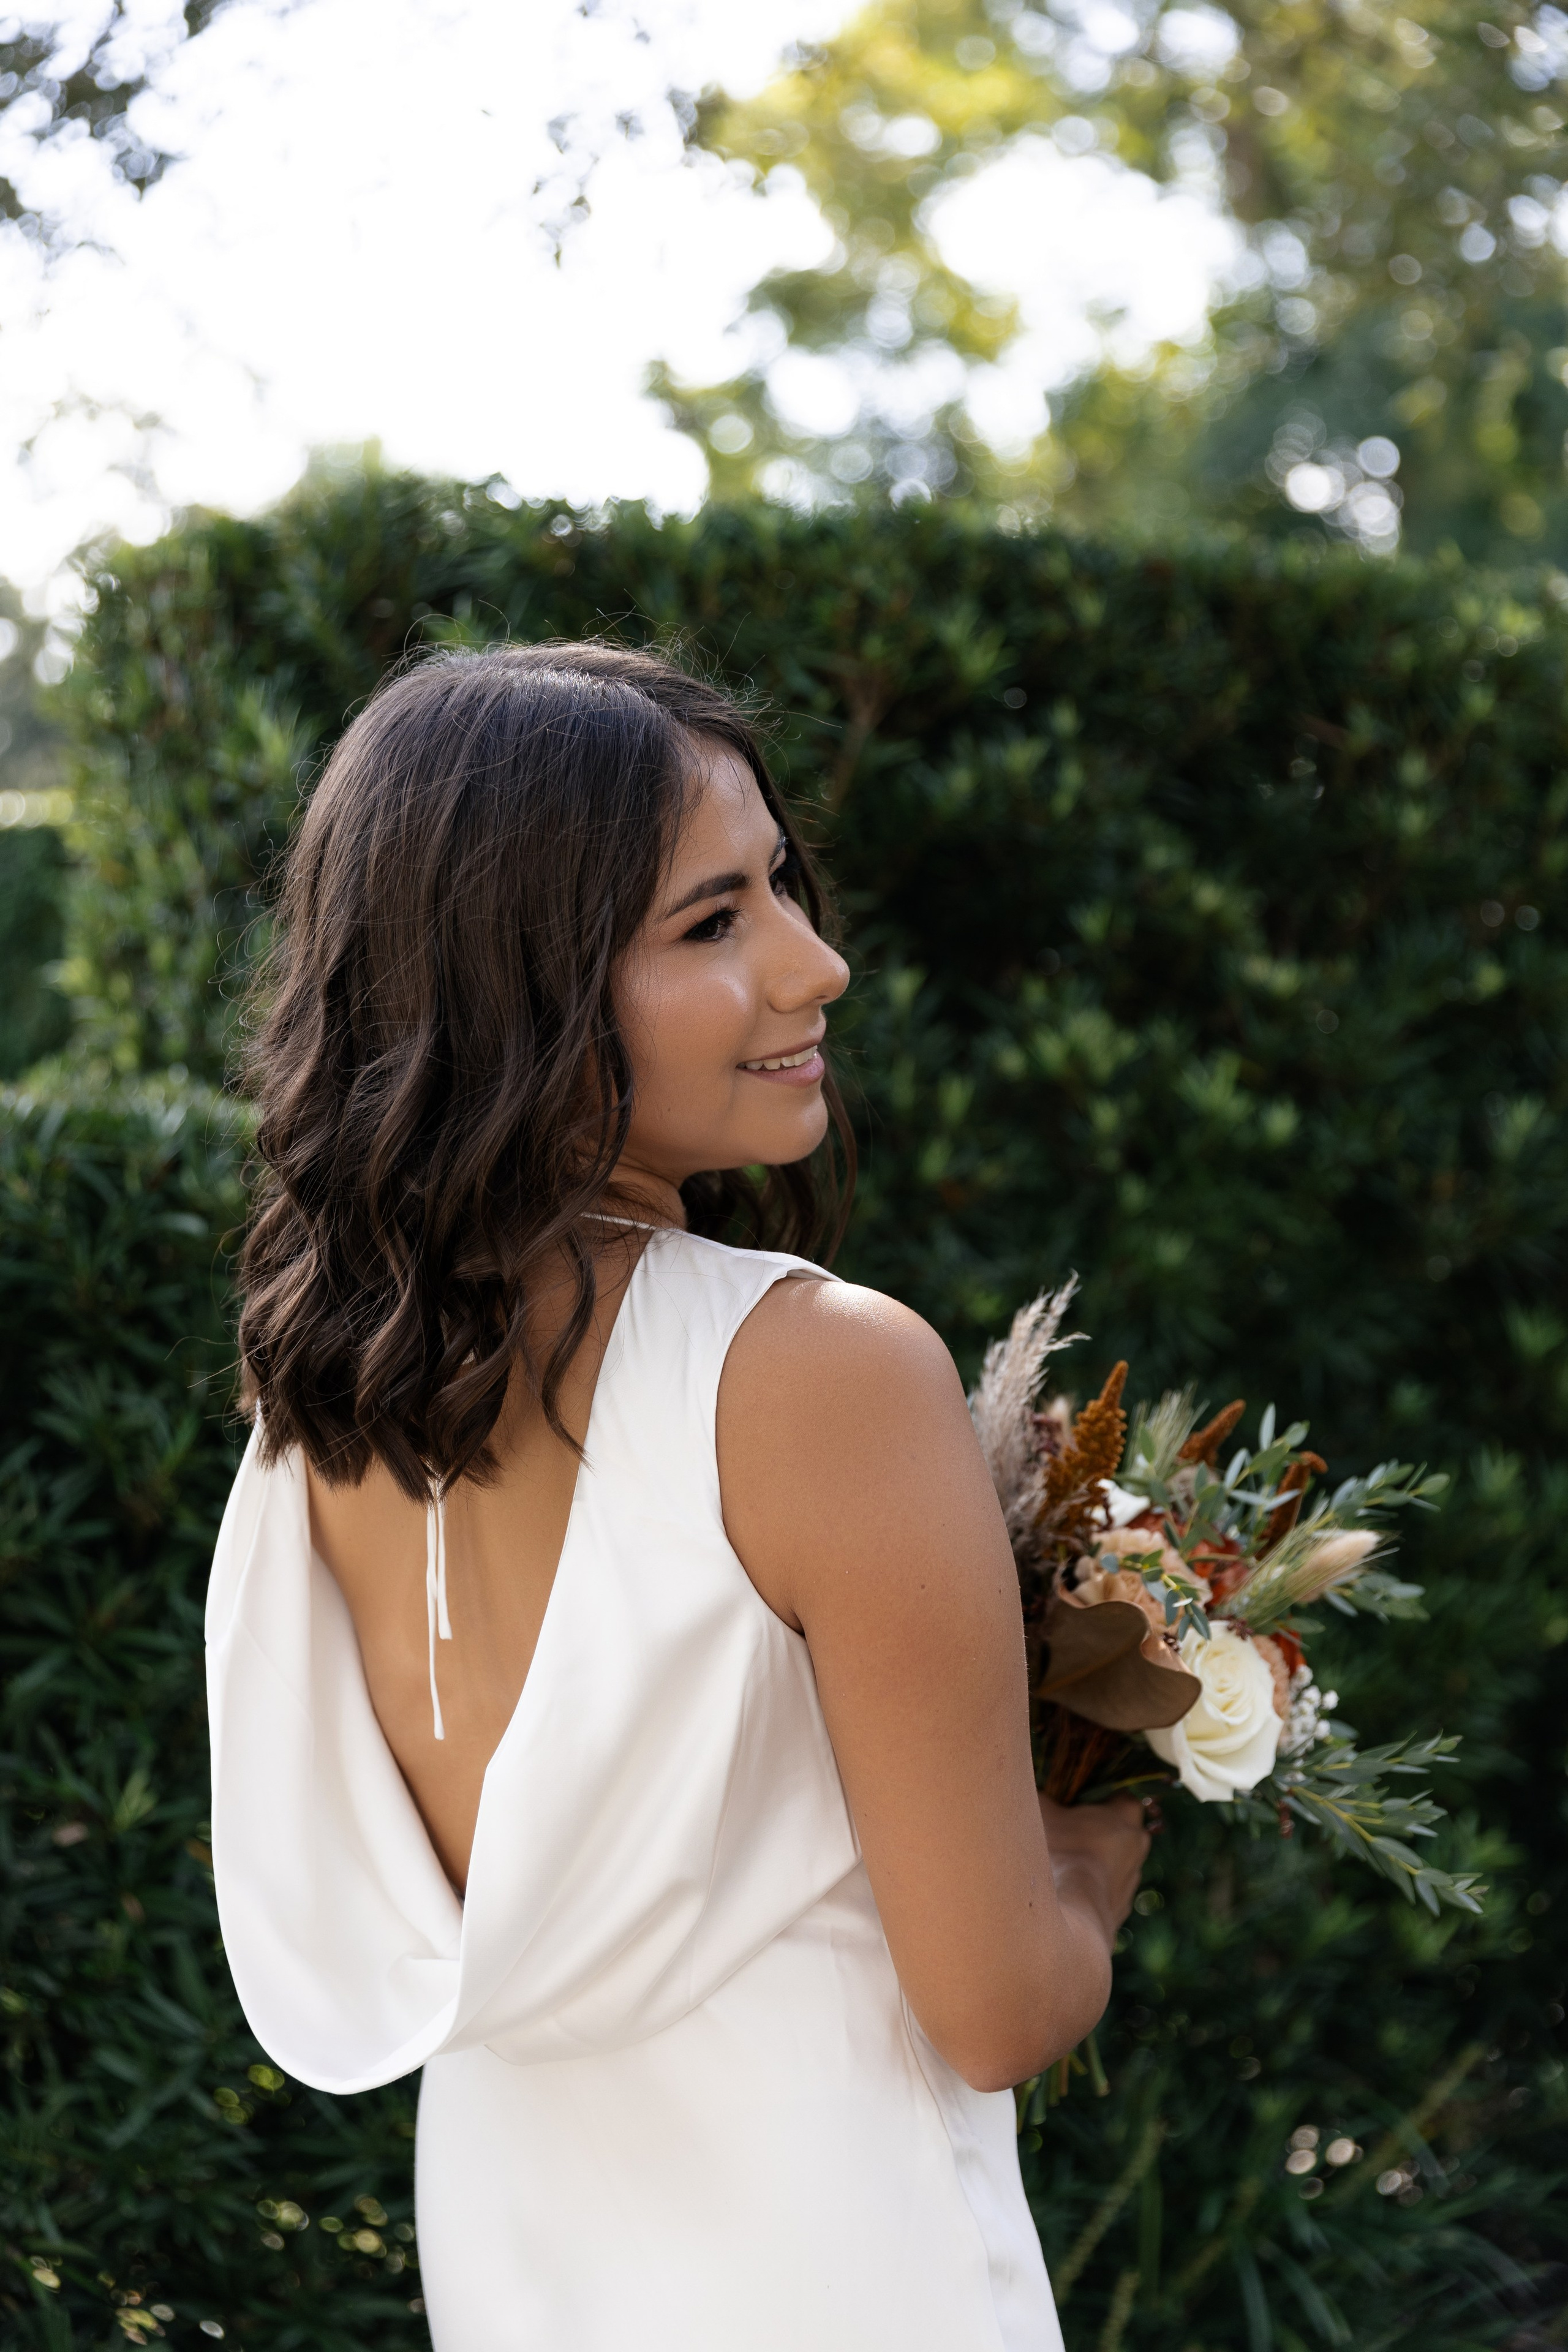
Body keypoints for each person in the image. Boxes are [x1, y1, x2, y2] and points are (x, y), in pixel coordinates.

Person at [208, 640, 1148, 2352]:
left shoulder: (316, 1409)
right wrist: (1120, 1785)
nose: (819, 965)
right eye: (712, 925)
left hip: (519, 2275)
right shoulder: (822, 1377)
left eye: (779, 886)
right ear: (520, 990)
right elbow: (1001, 2006)